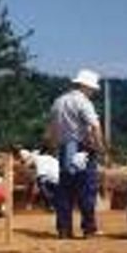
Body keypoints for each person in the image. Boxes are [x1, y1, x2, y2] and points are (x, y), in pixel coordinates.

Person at [46, 69, 105, 239]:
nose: (93, 92)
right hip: (82, 149)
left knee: (64, 190)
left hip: (64, 149)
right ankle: (89, 229)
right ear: (85, 86)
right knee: (87, 188)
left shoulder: (58, 101)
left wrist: (54, 147)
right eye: (92, 88)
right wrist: (100, 147)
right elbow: (95, 126)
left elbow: (52, 129)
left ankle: (64, 230)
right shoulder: (83, 102)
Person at [15, 147, 59, 211]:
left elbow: (27, 164)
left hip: (44, 177)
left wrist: (22, 166)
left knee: (38, 186)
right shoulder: (54, 159)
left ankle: (50, 204)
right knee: (39, 186)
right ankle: (51, 204)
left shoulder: (36, 157)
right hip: (57, 177)